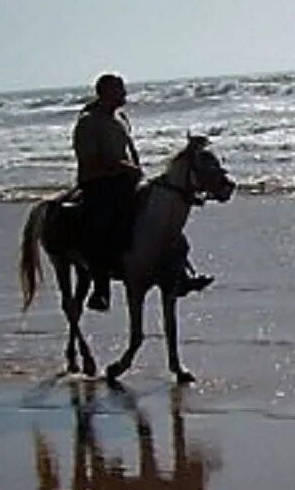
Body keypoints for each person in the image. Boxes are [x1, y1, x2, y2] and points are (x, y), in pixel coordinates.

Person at [71, 74, 210, 312]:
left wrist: (137, 171)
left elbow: (129, 150)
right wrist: (123, 168)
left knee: (160, 217)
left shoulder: (120, 118)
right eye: (119, 90)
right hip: (99, 183)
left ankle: (181, 273)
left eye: (123, 89)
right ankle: (101, 290)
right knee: (102, 226)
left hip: (126, 180)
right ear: (104, 93)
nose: (124, 94)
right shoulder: (88, 122)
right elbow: (92, 158)